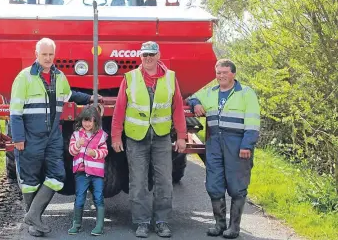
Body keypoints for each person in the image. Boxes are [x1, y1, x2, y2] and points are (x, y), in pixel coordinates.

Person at [10, 37, 102, 236]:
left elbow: (69, 96)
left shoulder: (59, 77)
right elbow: (15, 112)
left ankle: (32, 215)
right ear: (36, 55)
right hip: (30, 136)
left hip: (52, 136)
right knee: (30, 180)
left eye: (51, 54)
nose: (48, 58)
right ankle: (34, 223)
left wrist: (88, 98)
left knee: (58, 175)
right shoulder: (24, 77)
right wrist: (18, 138)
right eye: (44, 54)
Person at [111, 41, 187, 238]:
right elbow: (120, 109)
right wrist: (116, 136)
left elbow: (177, 108)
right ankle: (142, 222)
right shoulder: (130, 78)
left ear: (158, 55)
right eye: (145, 55)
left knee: (164, 181)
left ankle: (162, 222)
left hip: (161, 137)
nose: (148, 58)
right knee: (138, 182)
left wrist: (181, 136)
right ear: (140, 57)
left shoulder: (170, 78)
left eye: (152, 54)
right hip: (136, 138)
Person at [188, 59, 260, 239]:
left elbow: (252, 122)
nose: (221, 76)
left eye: (225, 72)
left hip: (237, 143)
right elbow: (191, 97)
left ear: (233, 74)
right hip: (214, 143)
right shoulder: (210, 92)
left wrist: (247, 145)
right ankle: (219, 225)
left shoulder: (245, 93)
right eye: (218, 73)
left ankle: (234, 227)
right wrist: (196, 103)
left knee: (237, 186)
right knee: (214, 183)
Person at [68, 105, 108, 236]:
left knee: (98, 197)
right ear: (81, 121)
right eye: (85, 120)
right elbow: (72, 152)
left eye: (90, 120)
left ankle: (100, 225)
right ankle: (76, 224)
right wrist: (78, 145)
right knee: (80, 197)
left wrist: (95, 153)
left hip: (96, 173)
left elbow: (105, 151)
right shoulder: (76, 135)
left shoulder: (101, 135)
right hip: (81, 172)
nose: (87, 124)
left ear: (95, 121)